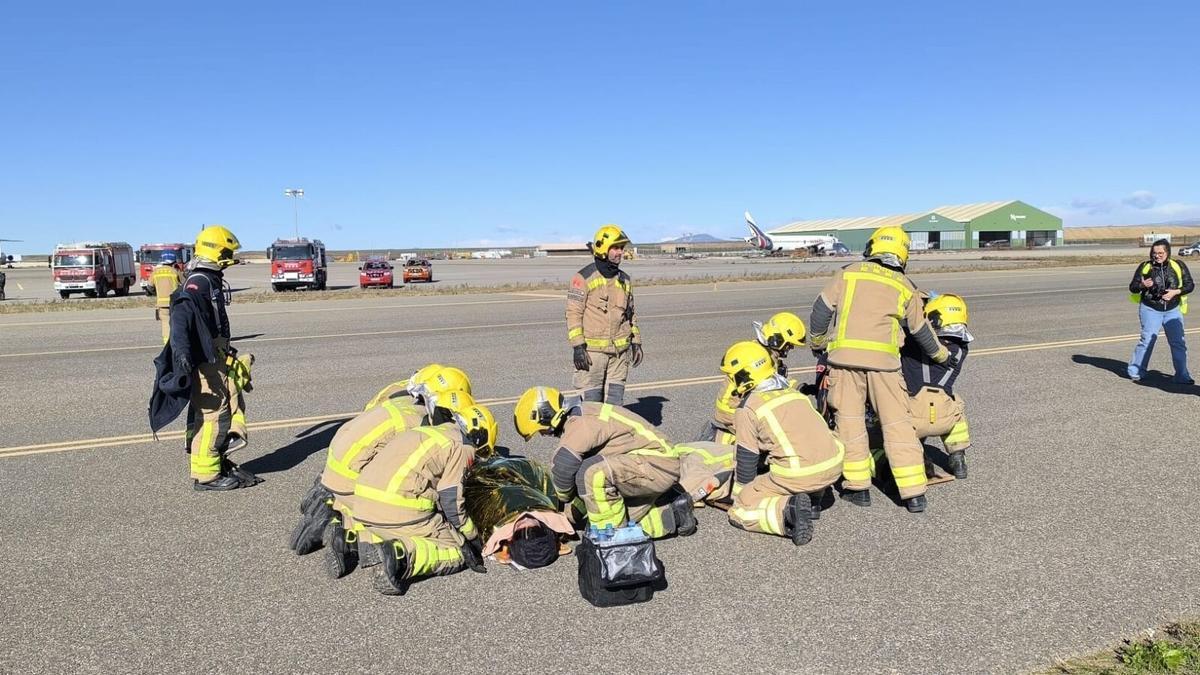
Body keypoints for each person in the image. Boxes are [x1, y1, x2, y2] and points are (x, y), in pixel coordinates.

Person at [808, 226, 950, 513]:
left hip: (844, 363)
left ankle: (858, 488)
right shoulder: (904, 285)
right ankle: (914, 494)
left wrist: (818, 344)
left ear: (873, 247)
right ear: (903, 253)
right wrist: (940, 354)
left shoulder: (848, 273)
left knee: (850, 423)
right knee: (898, 425)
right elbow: (920, 329)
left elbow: (821, 310)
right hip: (885, 367)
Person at [338, 404, 498, 596]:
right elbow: (451, 503)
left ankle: (350, 540)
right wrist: (471, 539)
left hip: (363, 505)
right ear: (480, 436)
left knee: (391, 529)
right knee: (455, 551)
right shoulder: (463, 446)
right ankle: (399, 555)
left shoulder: (432, 431)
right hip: (397, 507)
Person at [287, 366, 446, 555]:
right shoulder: (420, 419)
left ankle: (330, 498)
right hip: (352, 480)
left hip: (335, 461)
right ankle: (347, 528)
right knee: (398, 510)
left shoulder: (395, 390)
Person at [512, 386, 695, 539]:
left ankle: (612, 542)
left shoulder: (580, 424)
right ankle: (674, 510)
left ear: (545, 415)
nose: (545, 435)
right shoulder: (581, 413)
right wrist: (566, 518)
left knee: (594, 476)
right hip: (650, 463)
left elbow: (564, 466)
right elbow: (577, 478)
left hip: (657, 465)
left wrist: (557, 502)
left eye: (541, 431)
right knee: (601, 510)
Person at [719, 342, 844, 546]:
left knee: (740, 511)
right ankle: (814, 500)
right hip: (833, 466)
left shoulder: (748, 408)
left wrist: (741, 495)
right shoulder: (794, 393)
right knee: (804, 451)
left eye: (733, 376)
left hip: (799, 475)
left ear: (744, 375)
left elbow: (746, 458)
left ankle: (788, 510)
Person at [168, 224, 260, 491]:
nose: (230, 256)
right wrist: (183, 352)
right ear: (216, 250)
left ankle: (217, 461)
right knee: (214, 416)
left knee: (228, 408)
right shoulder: (200, 280)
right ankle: (207, 475)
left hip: (217, 358)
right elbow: (181, 315)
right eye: (227, 251)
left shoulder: (209, 278)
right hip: (207, 363)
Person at [704, 312, 808, 444]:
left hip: (741, 407)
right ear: (778, 339)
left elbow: (778, 381)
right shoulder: (758, 356)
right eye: (788, 344)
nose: (790, 348)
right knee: (772, 435)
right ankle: (728, 448)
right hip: (731, 411)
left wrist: (801, 388)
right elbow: (768, 387)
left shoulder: (769, 354)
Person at [566, 225, 642, 405]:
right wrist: (578, 347)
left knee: (613, 409)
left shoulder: (625, 280)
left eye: (622, 248)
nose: (620, 253)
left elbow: (630, 314)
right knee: (591, 408)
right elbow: (573, 313)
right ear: (602, 248)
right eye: (615, 248)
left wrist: (636, 341)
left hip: (619, 356)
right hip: (592, 356)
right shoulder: (583, 278)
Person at [902, 293, 973, 479]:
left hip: (913, 418)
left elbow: (910, 327)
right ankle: (958, 459)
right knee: (955, 402)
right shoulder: (961, 350)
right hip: (944, 418)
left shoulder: (910, 344)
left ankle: (915, 458)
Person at [1127, 239, 1194, 384]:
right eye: (1154, 253)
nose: (1157, 256)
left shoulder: (1178, 265)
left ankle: (1182, 375)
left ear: (1167, 253)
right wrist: (1142, 284)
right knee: (1147, 341)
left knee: (1178, 343)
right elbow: (1132, 287)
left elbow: (1190, 285)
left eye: (1160, 253)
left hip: (1172, 310)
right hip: (1150, 308)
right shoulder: (1145, 266)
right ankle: (1136, 371)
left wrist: (1176, 292)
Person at [152, 251, 183, 344]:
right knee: (178, 325)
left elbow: (149, 287)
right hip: (175, 304)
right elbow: (184, 284)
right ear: (173, 262)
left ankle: (167, 345)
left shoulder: (155, 272)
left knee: (165, 326)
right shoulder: (176, 272)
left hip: (162, 306)